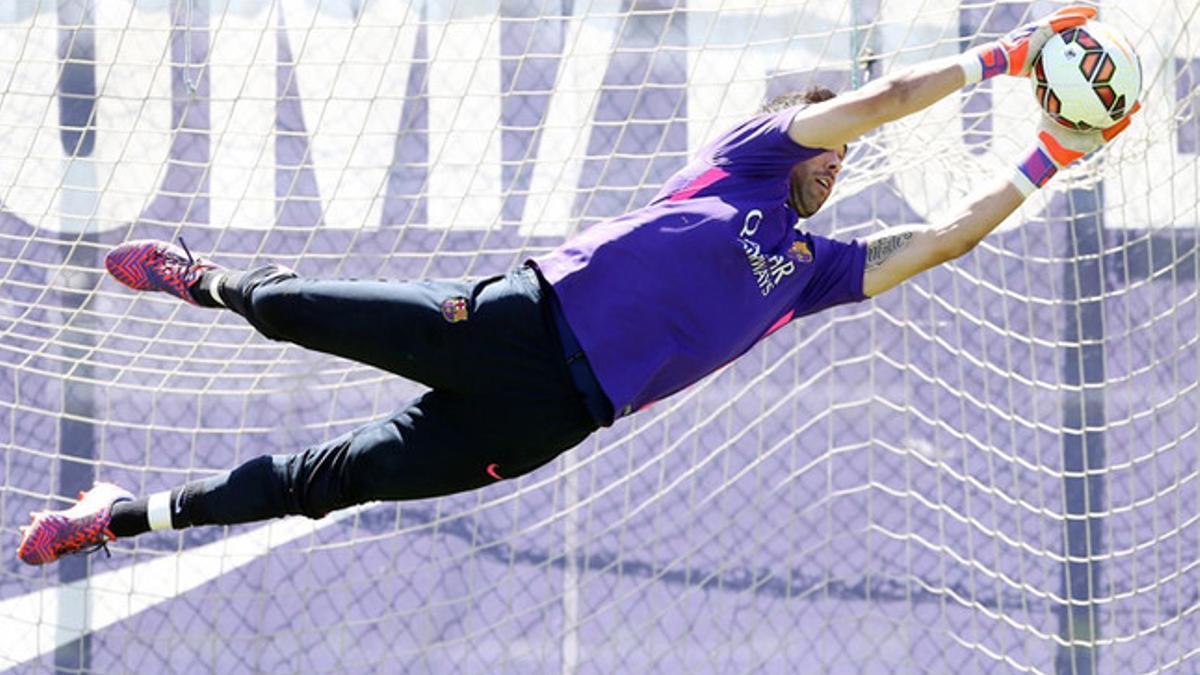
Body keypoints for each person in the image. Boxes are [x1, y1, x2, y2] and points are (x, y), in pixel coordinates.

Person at [18, 5, 1135, 565]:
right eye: (828, 149)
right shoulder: (749, 156)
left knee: (325, 482)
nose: (838, 168)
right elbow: (888, 100)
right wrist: (1012, 51)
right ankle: (204, 281)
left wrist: (1051, 156)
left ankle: (109, 517)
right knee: (290, 311)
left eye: (843, 169)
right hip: (511, 321)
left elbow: (943, 242)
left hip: (554, 417)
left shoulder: (814, 271)